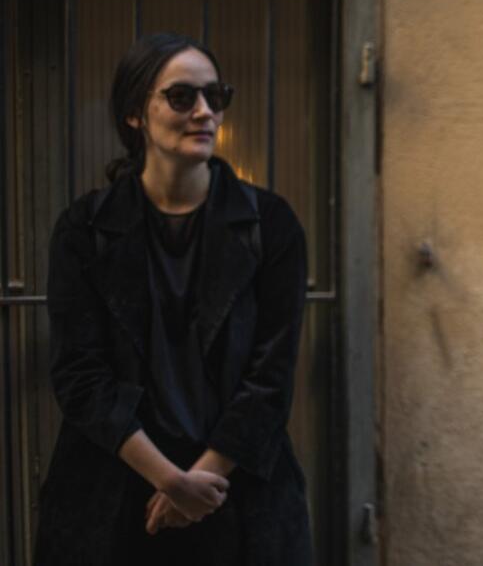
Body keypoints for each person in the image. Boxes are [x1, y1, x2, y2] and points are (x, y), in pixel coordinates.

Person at [34, 33, 313, 565]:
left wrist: (200, 481)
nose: (205, 112)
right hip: (114, 496)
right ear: (135, 113)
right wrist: (170, 480)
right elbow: (79, 375)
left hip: (235, 491)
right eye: (182, 96)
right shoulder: (84, 229)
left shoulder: (270, 223)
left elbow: (271, 377)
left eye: (216, 96)